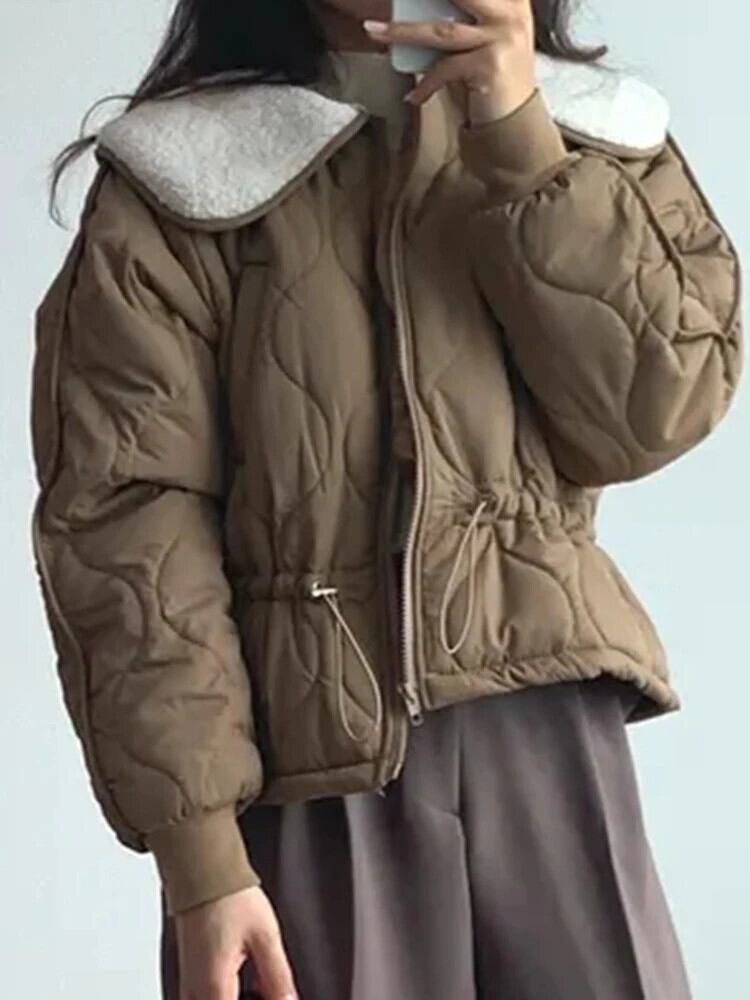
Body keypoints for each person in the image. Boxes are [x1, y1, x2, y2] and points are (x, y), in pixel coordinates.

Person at [30, 1, 742, 998]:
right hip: (307, 775)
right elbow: (127, 525)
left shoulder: (595, 132)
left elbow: (653, 412)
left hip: (550, 741)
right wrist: (203, 861)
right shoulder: (181, 175)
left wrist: (517, 132)